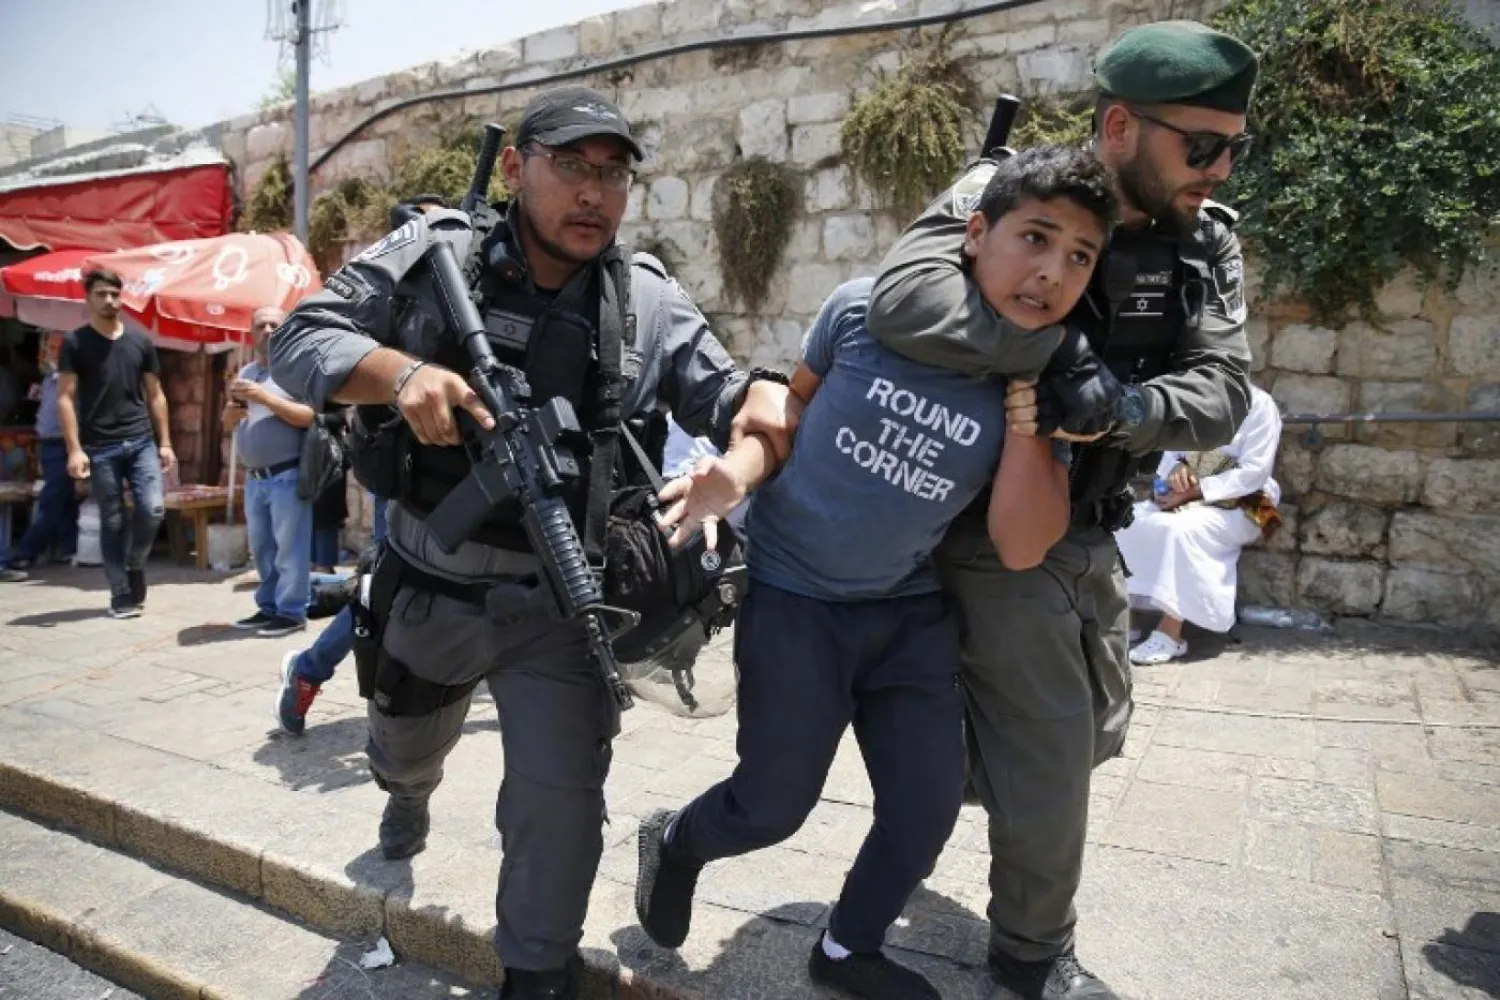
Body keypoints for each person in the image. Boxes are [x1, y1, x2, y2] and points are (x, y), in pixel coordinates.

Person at [269, 85, 799, 1000]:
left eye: (613, 175)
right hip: (428, 582)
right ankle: (408, 800)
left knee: (561, 805)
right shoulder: (438, 252)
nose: (595, 194)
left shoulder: (644, 300)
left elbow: (733, 398)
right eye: (572, 168)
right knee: (401, 750)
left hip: (558, 603)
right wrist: (401, 375)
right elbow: (298, 338)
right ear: (515, 169)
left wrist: (759, 422)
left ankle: (537, 973)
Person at [635, 146, 1116, 1000]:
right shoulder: (862, 313)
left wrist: (1026, 418)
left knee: (925, 807)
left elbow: (1019, 543)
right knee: (770, 807)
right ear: (975, 234)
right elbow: (786, 413)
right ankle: (676, 842)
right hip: (795, 599)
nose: (1052, 271)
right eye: (1035, 238)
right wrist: (733, 477)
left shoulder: (1037, 380)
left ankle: (848, 949)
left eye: (1079, 255)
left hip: (908, 613)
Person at [864, 20, 1260, 999]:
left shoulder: (1204, 242)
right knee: (1051, 755)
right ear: (1121, 125)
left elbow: (1224, 391)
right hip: (995, 529)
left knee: (1090, 733)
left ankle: (960, 790)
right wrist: (1057, 358)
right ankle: (1033, 953)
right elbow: (902, 300)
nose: (1217, 168)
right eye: (1198, 145)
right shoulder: (1011, 190)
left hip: (1095, 534)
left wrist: (1124, 408)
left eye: (1231, 148)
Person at [1120, 384, 1281, 663]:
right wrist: (1173, 474)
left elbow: (1254, 473)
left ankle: (1171, 633)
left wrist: (1198, 490)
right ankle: (1127, 618)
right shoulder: (1189, 397)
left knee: (1182, 531)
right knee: (1127, 523)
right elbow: (1167, 455)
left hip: (1245, 503)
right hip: (1184, 496)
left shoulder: (1260, 405)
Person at [58, 268, 175, 618]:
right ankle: (121, 592)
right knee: (111, 520)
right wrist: (74, 448)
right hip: (99, 445)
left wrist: (165, 442)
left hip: (141, 440)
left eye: (114, 294)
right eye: (101, 294)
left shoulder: (140, 341)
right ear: (88, 298)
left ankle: (135, 561)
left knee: (153, 508)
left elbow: (156, 394)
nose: (109, 301)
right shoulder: (75, 342)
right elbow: (65, 397)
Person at [225, 306, 316, 638]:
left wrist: (264, 397)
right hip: (255, 478)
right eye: (260, 325)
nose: (267, 330)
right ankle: (268, 607)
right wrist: (230, 415)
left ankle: (292, 612)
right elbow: (228, 422)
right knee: (262, 549)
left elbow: (309, 416)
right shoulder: (246, 372)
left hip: (287, 474)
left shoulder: (294, 370)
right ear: (251, 333)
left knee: (290, 548)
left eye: (274, 325)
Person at [1, 333, 80, 581]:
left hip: (62, 443)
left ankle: (24, 554)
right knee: (62, 499)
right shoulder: (48, 379)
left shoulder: (72, 379)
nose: (50, 352)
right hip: (47, 443)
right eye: (49, 347)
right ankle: (72, 548)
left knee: (51, 499)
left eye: (56, 348)